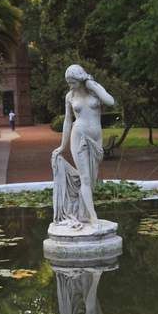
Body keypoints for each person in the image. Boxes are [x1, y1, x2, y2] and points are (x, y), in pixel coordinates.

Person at [52, 64, 114, 228]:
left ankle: (82, 213)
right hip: (78, 137)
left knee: (91, 180)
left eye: (73, 82)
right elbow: (67, 121)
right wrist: (62, 146)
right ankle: (93, 217)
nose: (70, 86)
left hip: (96, 140)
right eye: (69, 83)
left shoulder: (94, 90)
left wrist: (92, 84)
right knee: (86, 178)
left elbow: (111, 101)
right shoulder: (69, 97)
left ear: (80, 79)